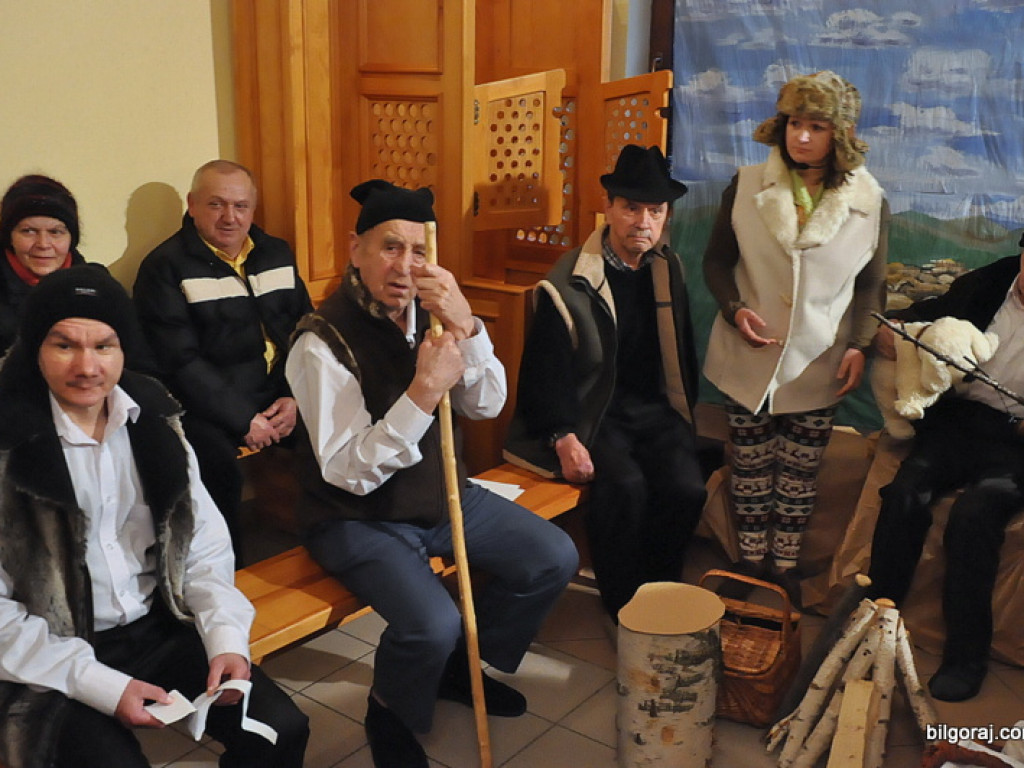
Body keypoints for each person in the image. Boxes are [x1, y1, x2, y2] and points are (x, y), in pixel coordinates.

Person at [285, 179, 578, 768]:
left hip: (439, 497)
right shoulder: (321, 341)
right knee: (431, 621)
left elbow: (486, 405)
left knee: (553, 556)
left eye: (419, 252)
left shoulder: (434, 315)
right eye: (390, 247)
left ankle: (456, 668)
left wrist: (468, 327)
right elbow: (346, 472)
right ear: (356, 249)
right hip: (355, 517)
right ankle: (391, 705)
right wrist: (422, 392)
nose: (405, 266)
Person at [0, 265, 309, 768]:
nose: (87, 366)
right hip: (47, 649)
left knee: (280, 730)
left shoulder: (154, 422)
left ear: (124, 349)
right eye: (64, 345)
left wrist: (225, 638)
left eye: (104, 345)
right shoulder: (9, 445)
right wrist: (99, 683)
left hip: (156, 623)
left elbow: (203, 547)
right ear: (34, 349)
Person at [702, 71, 888, 605]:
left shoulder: (869, 200)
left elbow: (871, 283)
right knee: (751, 466)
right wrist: (733, 309)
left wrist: (859, 344)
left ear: (842, 133)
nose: (801, 137)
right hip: (748, 352)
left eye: (816, 126)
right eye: (794, 124)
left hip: (818, 358)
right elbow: (717, 260)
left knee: (800, 474)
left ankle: (783, 565)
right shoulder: (746, 184)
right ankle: (750, 559)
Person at [503, 144, 704, 622]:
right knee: (626, 487)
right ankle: (623, 606)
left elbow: (682, 352)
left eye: (655, 211)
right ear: (609, 208)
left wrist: (684, 414)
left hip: (653, 412)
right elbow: (543, 373)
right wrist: (563, 437)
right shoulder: (570, 281)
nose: (643, 221)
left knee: (687, 488)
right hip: (594, 414)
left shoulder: (665, 267)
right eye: (631, 207)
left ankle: (660, 595)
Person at [867, 245, 1024, 701]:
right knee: (905, 493)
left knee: (975, 517)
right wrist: (896, 331)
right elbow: (929, 316)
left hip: (1016, 441)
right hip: (958, 423)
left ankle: (965, 658)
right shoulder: (988, 284)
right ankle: (874, 624)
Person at [133, 160, 312, 559]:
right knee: (215, 465)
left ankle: (332, 540)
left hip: (277, 392)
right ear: (192, 204)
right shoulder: (164, 268)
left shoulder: (276, 253)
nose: (230, 217)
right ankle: (229, 568)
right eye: (216, 204)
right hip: (202, 403)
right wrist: (242, 418)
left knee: (341, 426)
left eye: (240, 206)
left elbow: (305, 334)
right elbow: (180, 362)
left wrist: (296, 397)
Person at [0, 174, 88, 354]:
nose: (43, 244)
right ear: (10, 237)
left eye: (55, 232)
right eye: (29, 231)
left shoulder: (95, 287)